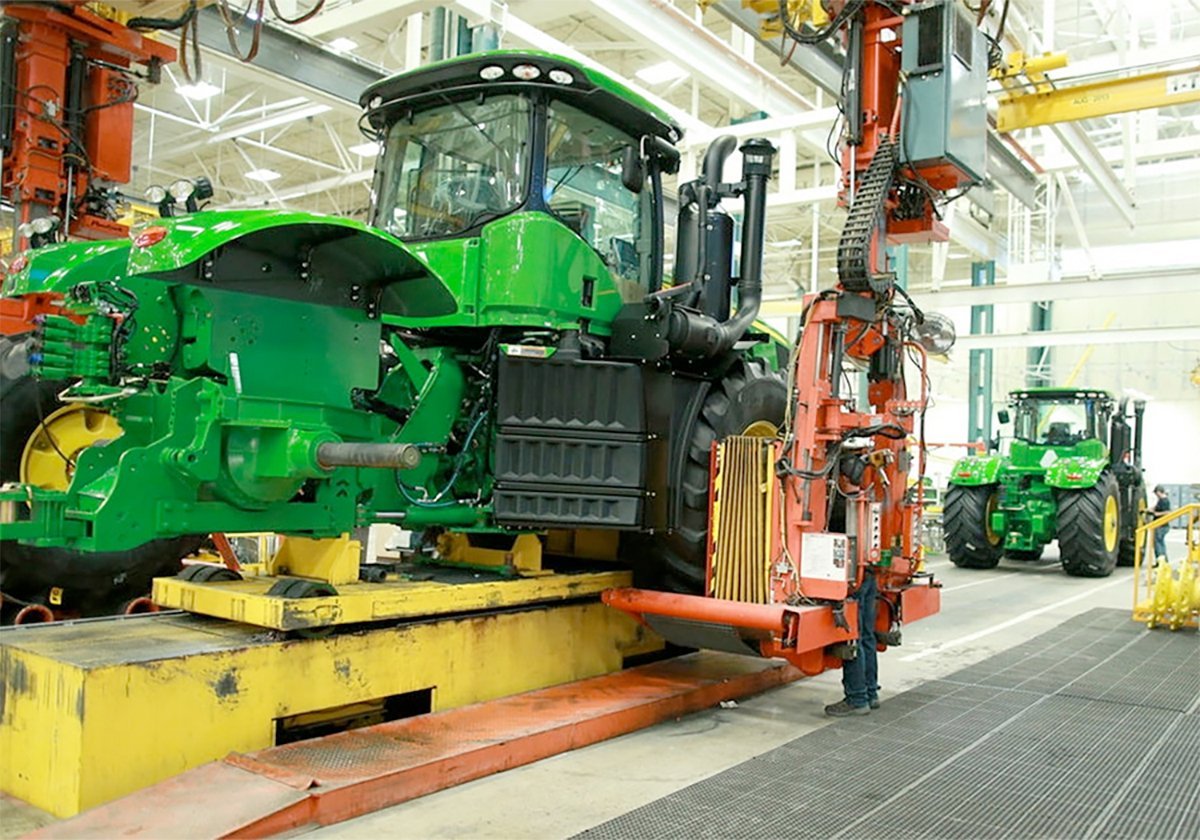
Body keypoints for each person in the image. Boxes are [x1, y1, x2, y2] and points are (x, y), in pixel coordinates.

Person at [824, 571, 880, 717]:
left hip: (853, 580)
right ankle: (870, 693)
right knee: (867, 636)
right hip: (868, 574)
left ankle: (857, 699)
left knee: (853, 638)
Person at [1152, 485, 1171, 561]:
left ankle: (1161, 561)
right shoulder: (1160, 500)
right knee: (1160, 543)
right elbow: (1156, 507)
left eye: (1156, 493)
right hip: (1160, 525)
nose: (1156, 495)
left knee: (1158, 544)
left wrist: (1157, 514)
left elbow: (1168, 512)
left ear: (1159, 492)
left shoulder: (1165, 501)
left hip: (1161, 525)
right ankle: (1163, 560)